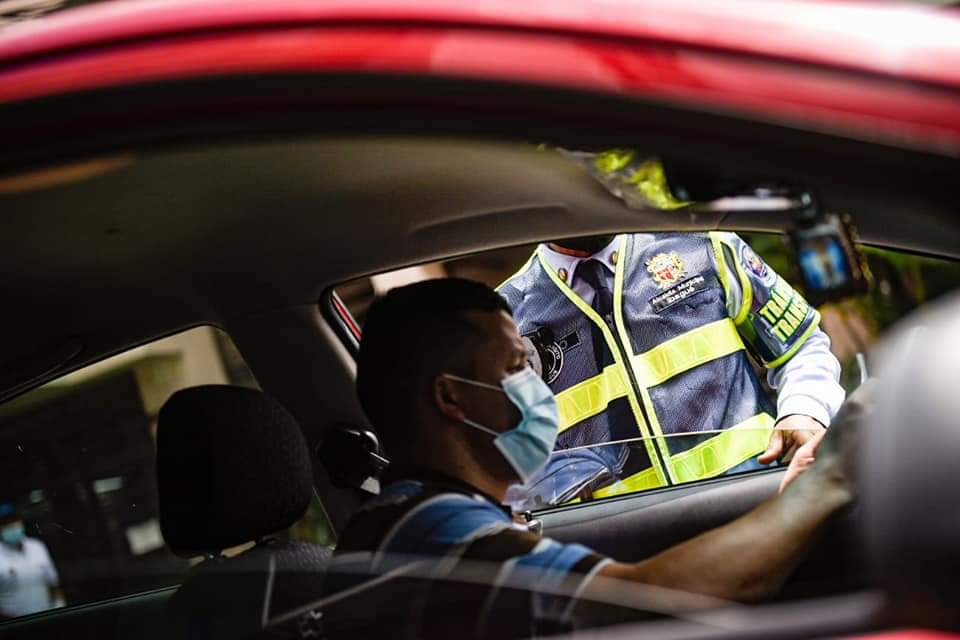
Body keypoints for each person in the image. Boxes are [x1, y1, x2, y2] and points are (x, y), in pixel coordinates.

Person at [322, 278, 861, 638]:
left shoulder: (416, 517)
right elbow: (640, 600)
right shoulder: (431, 533)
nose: (538, 389)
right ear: (451, 397)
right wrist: (823, 482)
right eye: (514, 368)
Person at [498, 230, 846, 508]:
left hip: (754, 494)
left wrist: (804, 412)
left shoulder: (705, 246)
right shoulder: (507, 316)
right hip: (623, 536)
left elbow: (801, 346)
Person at [0, 503, 62, 619]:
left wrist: (58, 607)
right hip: (13, 628)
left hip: (48, 620)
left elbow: (53, 584)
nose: (11, 525)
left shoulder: (37, 546)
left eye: (13, 520)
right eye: (5, 523)